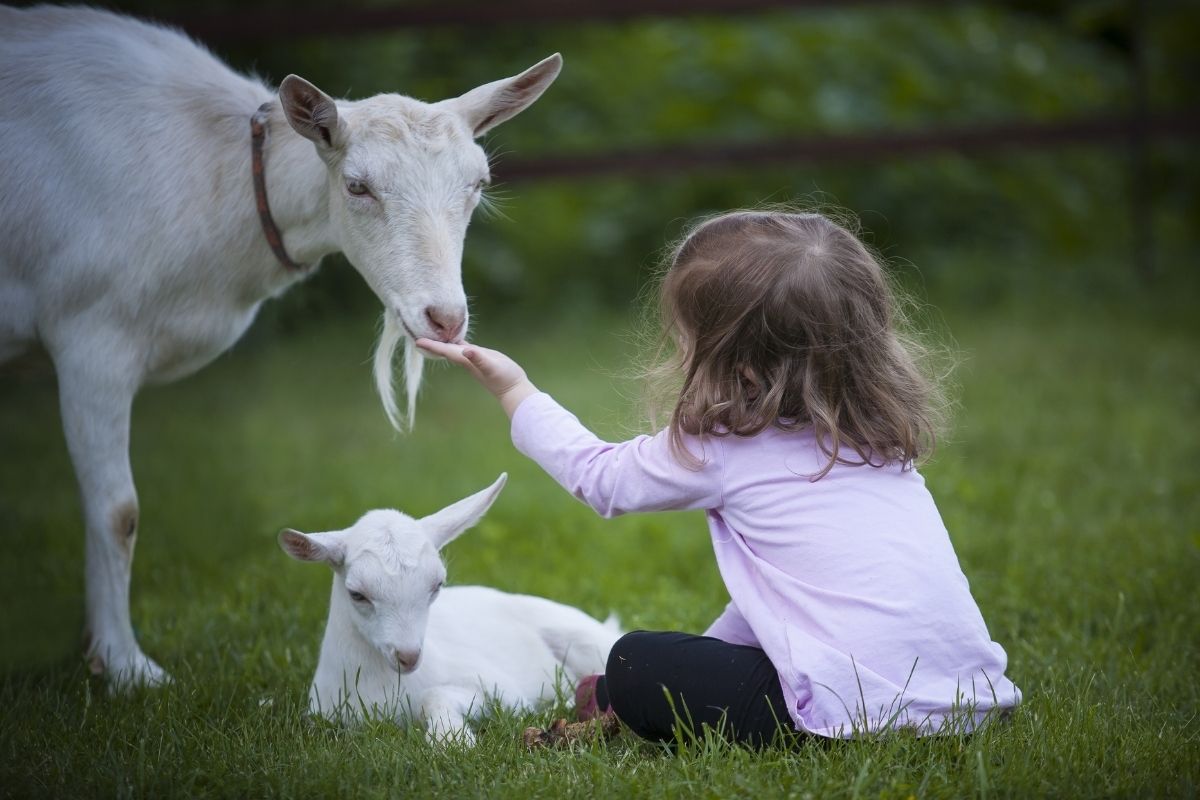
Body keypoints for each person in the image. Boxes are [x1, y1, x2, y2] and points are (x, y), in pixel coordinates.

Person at [418, 210, 1021, 746]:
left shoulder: (727, 449)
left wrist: (514, 389)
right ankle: (627, 695)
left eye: (687, 339)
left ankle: (620, 699)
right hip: (967, 700)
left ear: (742, 365)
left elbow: (599, 478)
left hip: (856, 714)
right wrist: (706, 655)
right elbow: (782, 602)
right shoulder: (881, 447)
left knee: (633, 662)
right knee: (660, 664)